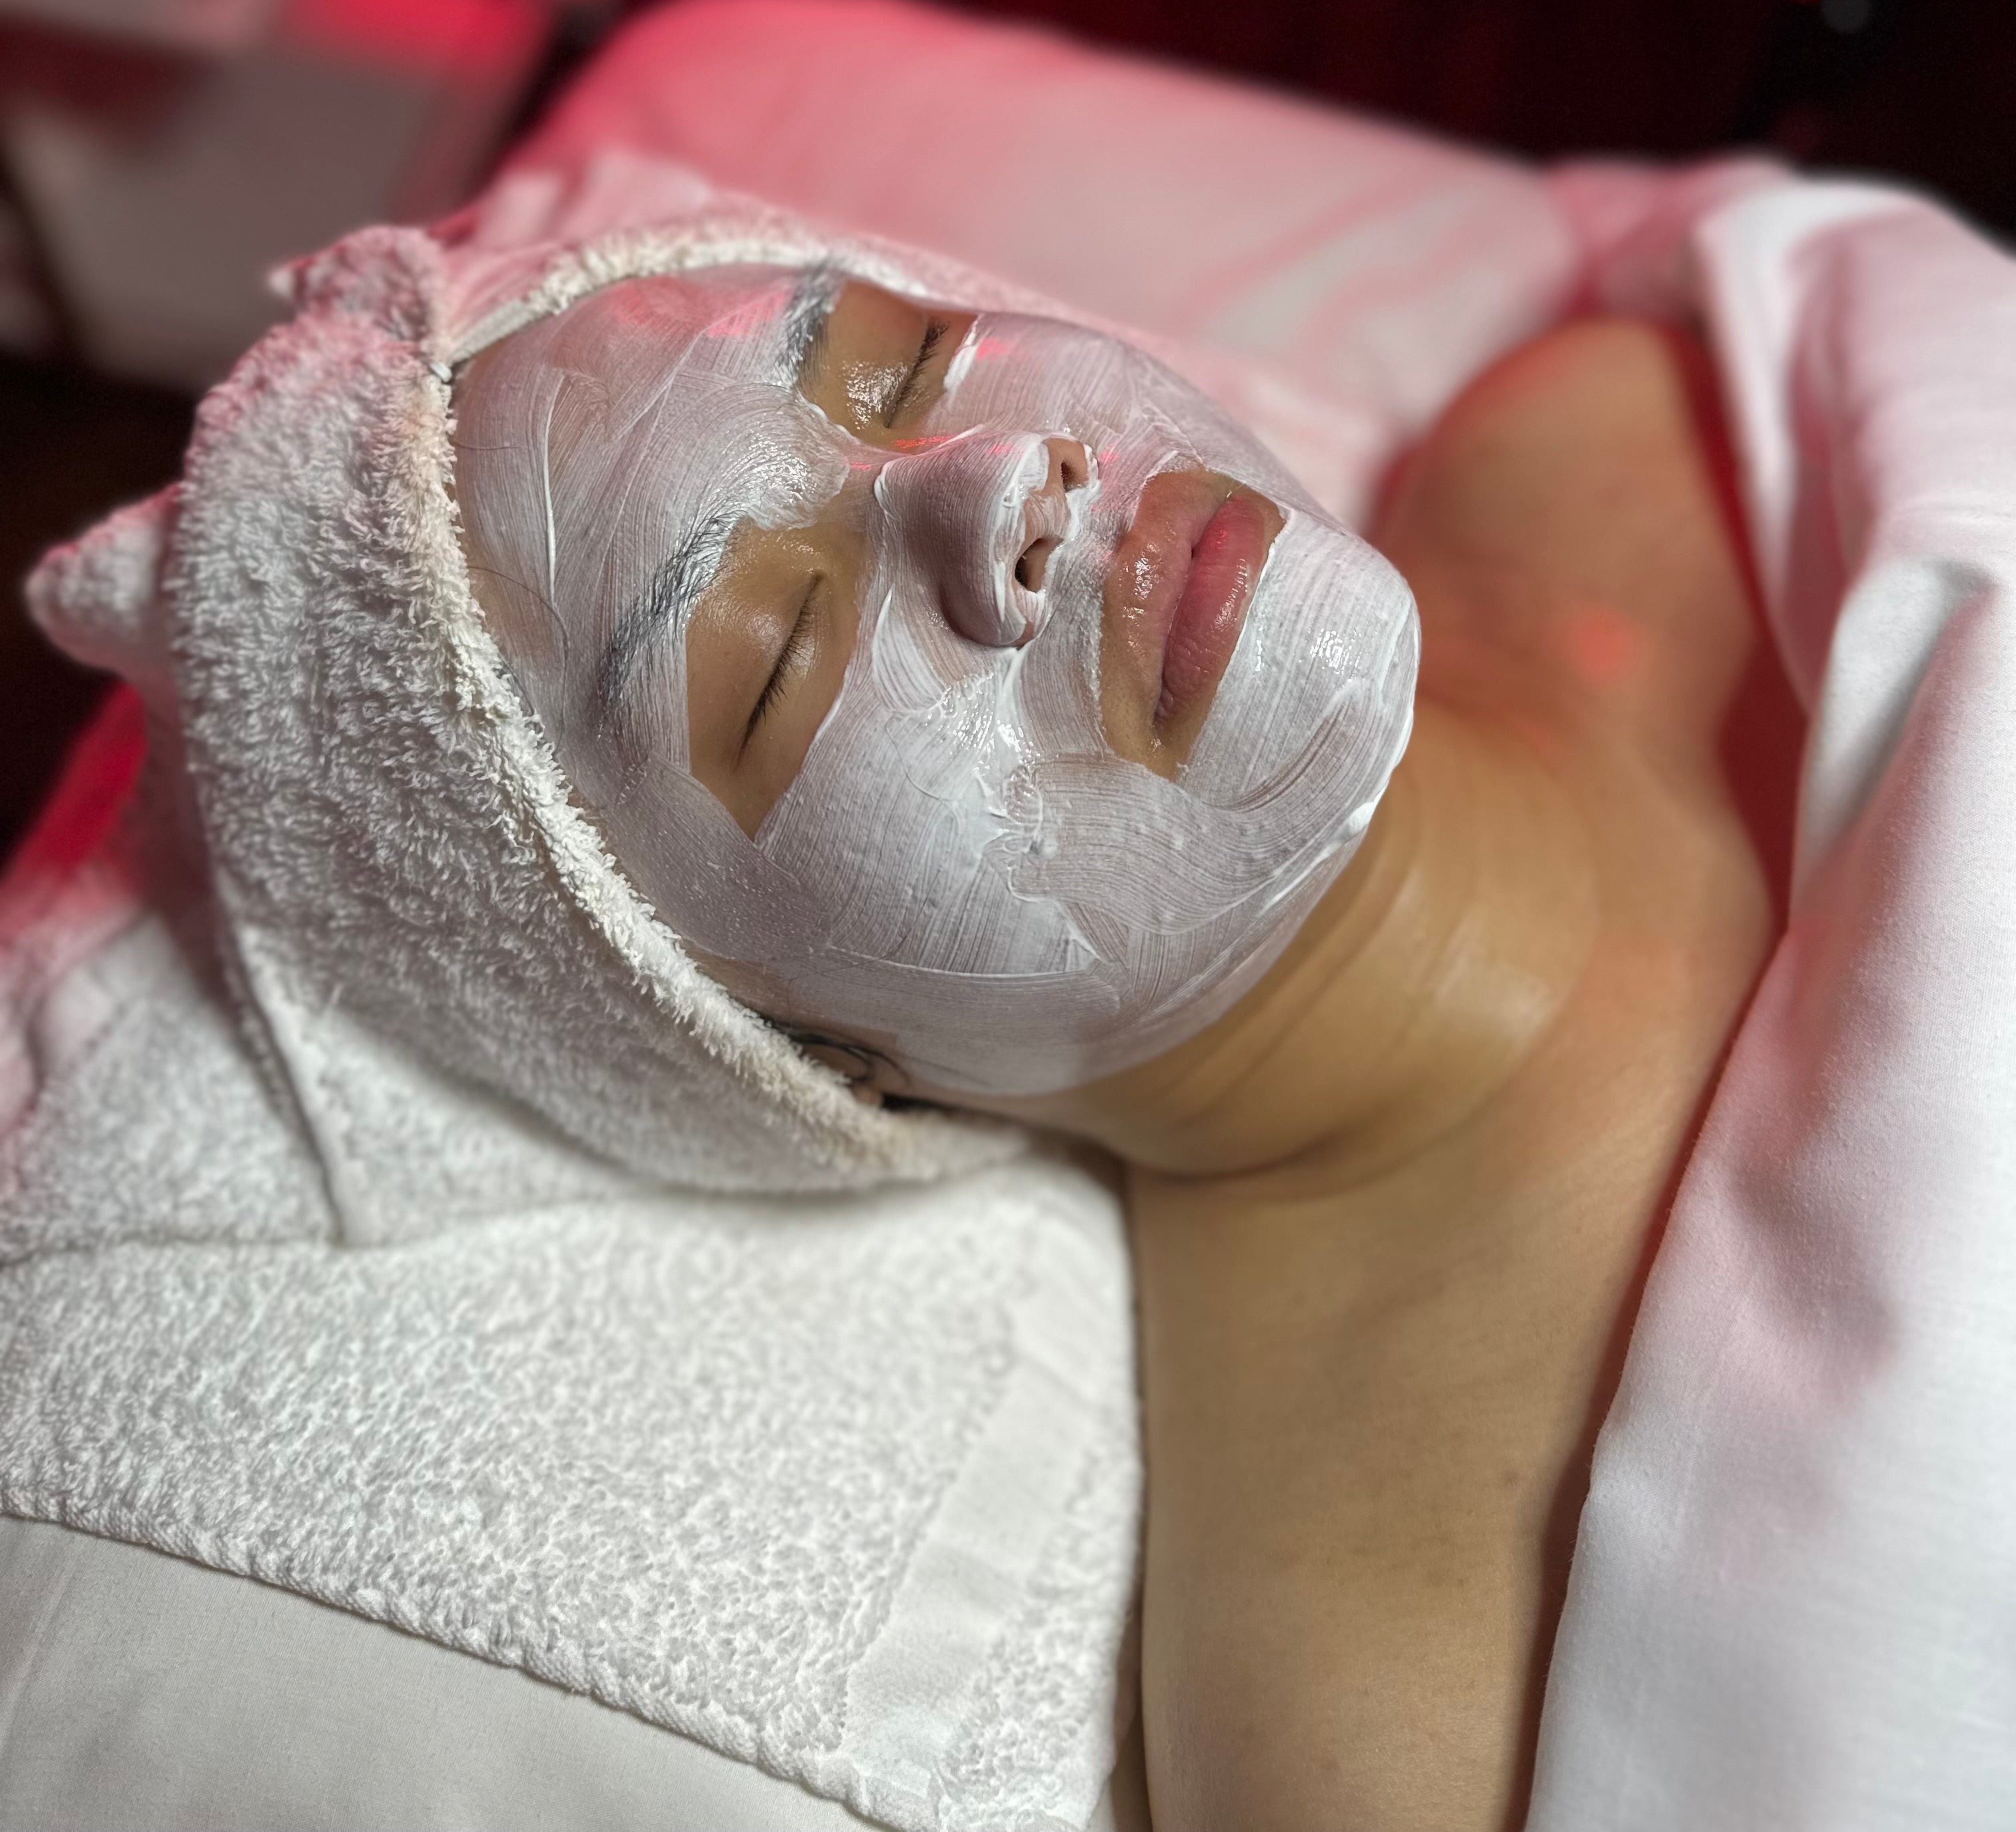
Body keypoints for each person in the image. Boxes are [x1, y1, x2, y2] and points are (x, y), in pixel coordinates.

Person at [451, 249, 1803, 1832]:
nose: (998, 477)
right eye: (776, 659)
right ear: (794, 1053)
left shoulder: (1621, 437)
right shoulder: (1418, 1736)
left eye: (905, 362)